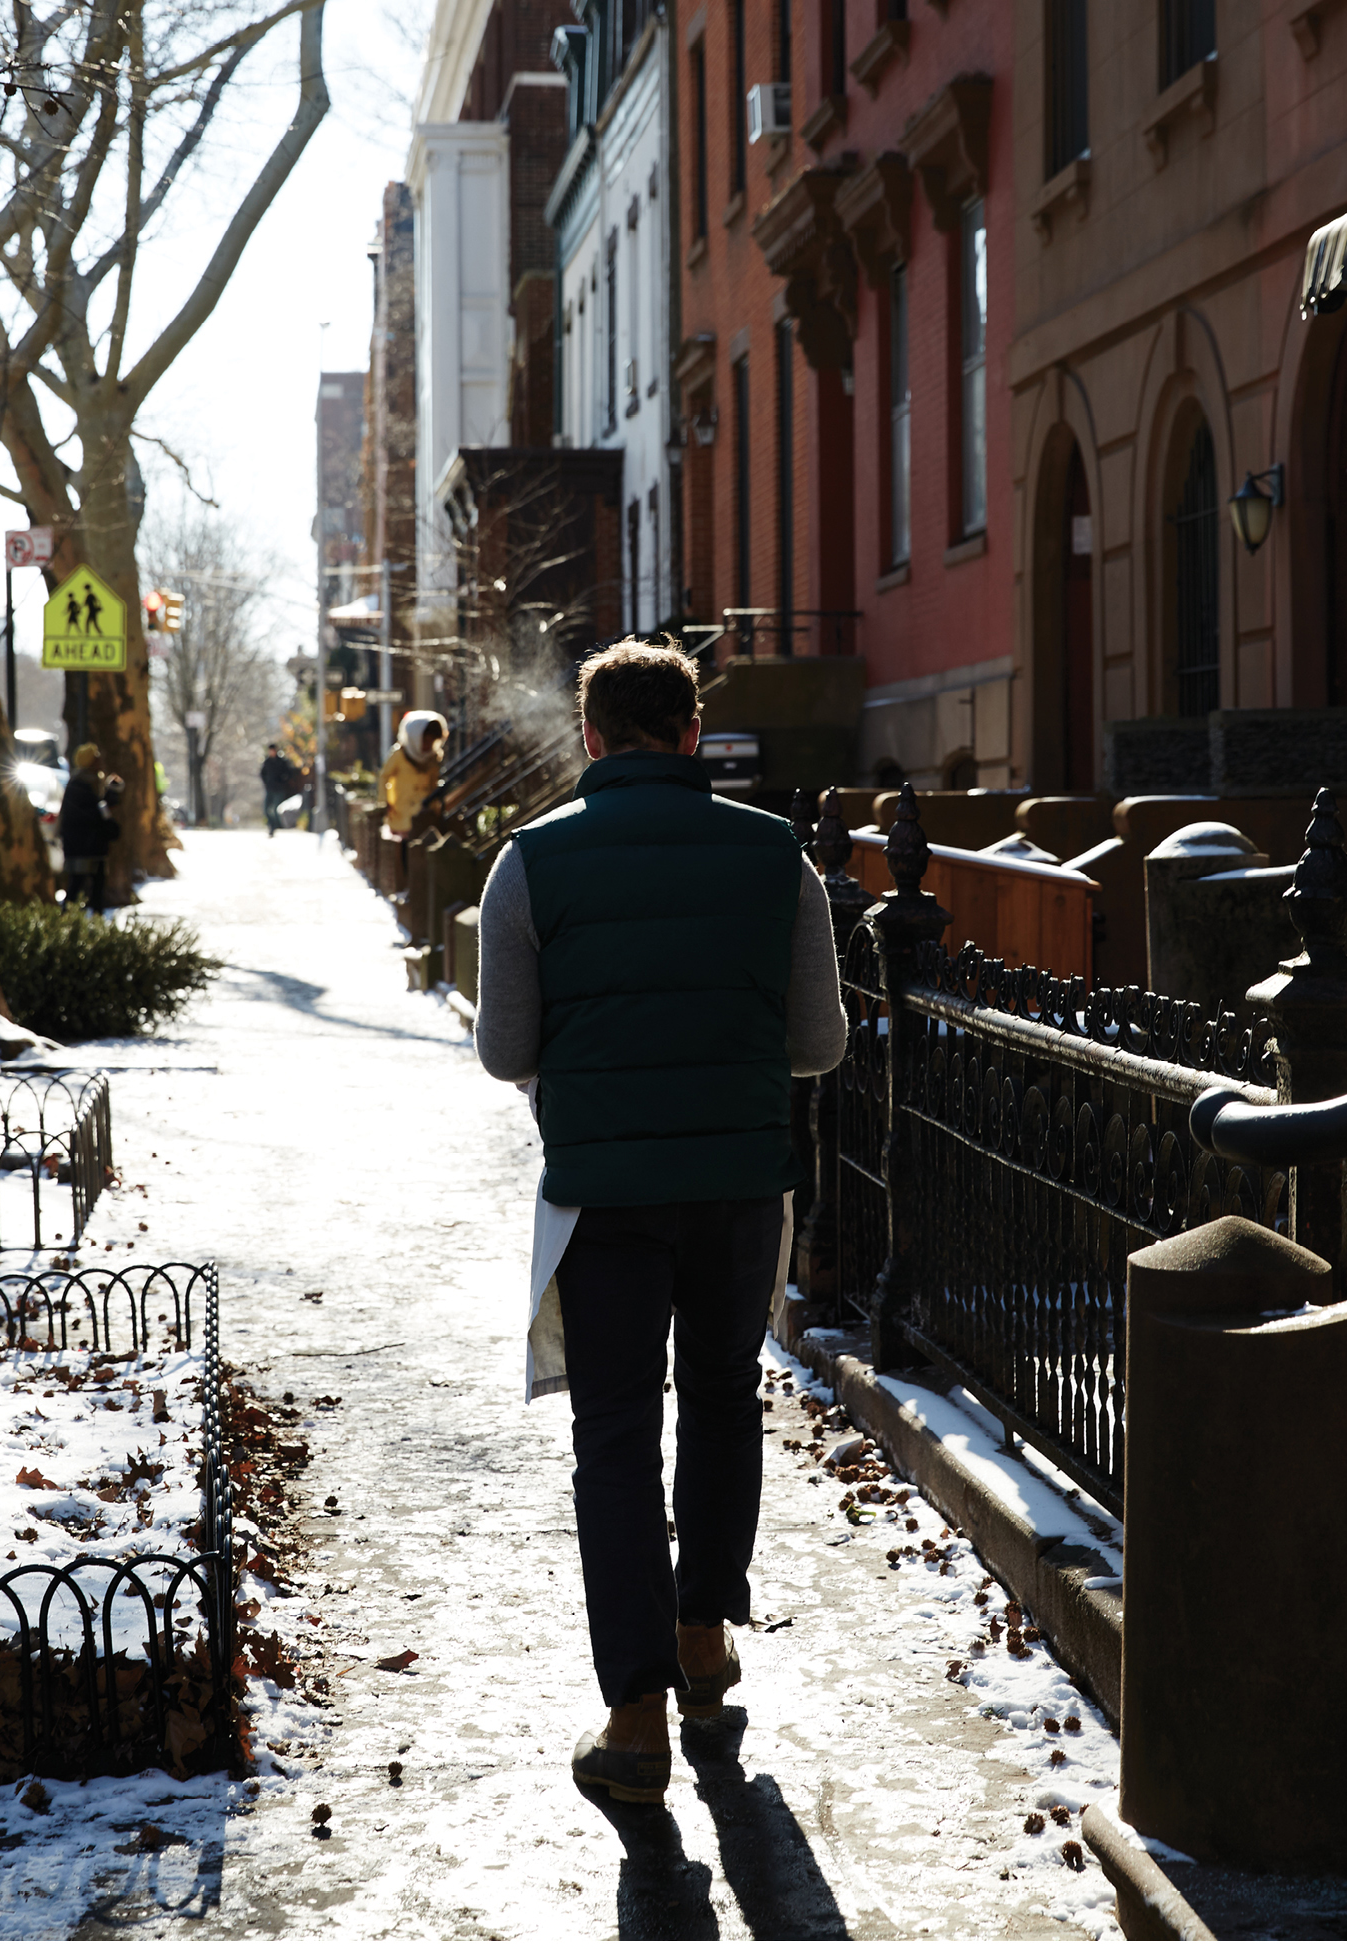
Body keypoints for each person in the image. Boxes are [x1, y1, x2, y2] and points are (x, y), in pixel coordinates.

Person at [473, 639, 846, 1806]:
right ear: (693, 736)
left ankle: (633, 1717)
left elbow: (503, 1049)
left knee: (616, 1436)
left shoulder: (529, 864)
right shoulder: (779, 858)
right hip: (738, 1182)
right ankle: (701, 1635)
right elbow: (819, 1043)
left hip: (604, 1195)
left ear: (590, 739)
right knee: (725, 1400)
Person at [59, 741, 123, 912]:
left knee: (97, 890)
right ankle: (68, 922)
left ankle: (96, 923)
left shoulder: (95, 784)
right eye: (96, 758)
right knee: (76, 886)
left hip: (96, 848)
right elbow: (86, 816)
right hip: (81, 848)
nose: (100, 761)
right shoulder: (79, 785)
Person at [378, 710, 447, 836]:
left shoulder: (433, 758)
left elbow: (434, 782)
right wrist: (385, 802)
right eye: (425, 740)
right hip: (401, 812)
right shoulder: (399, 754)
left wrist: (435, 807)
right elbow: (384, 776)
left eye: (431, 741)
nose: (427, 745)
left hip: (424, 811)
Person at [260, 743, 294, 837]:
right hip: (270, 788)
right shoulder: (267, 762)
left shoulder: (281, 762)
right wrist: (266, 783)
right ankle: (272, 825)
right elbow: (262, 774)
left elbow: (289, 773)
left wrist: (283, 781)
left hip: (279, 789)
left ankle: (275, 827)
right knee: (266, 809)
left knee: (275, 809)